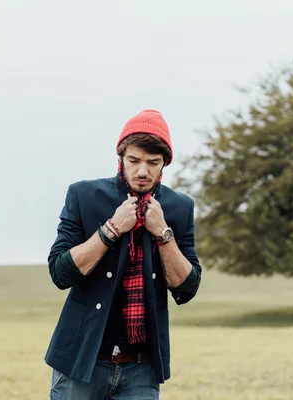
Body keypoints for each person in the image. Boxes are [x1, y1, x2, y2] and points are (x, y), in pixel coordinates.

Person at [44, 109, 202, 399]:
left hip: (141, 369)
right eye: (134, 160)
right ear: (121, 157)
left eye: (153, 162)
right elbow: (60, 273)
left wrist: (162, 233)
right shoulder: (83, 195)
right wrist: (112, 229)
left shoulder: (180, 208)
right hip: (81, 361)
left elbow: (187, 288)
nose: (143, 171)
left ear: (164, 163)